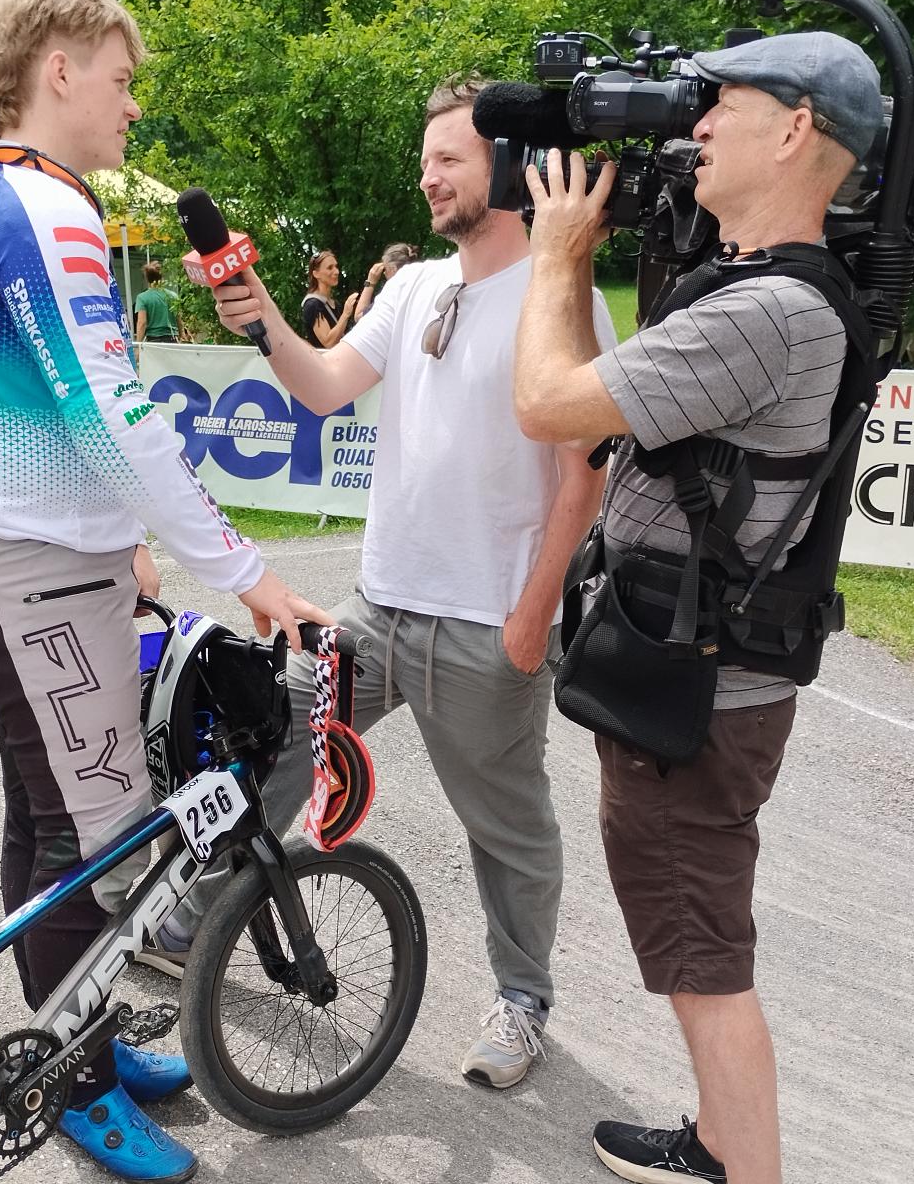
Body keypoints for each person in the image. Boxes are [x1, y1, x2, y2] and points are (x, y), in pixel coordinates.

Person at [0, 0, 324, 1184]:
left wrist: (122, 542)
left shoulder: (6, 195)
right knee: (88, 837)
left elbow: (69, 408)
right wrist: (245, 573)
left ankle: (73, 1033)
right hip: (28, 573)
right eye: (121, 76)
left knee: (49, 820)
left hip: (31, 561)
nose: (133, 104)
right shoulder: (41, 205)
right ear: (58, 69)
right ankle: (71, 1077)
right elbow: (115, 413)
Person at [512, 30, 885, 1184]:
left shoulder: (768, 314)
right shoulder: (764, 291)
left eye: (725, 101)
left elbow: (546, 404)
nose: (697, 122)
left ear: (797, 129)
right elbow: (597, 404)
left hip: (696, 693)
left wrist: (553, 255)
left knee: (703, 954)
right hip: (695, 669)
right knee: (688, 933)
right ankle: (719, 1146)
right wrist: (581, 259)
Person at [168, 74, 615, 1089]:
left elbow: (580, 480)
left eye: (449, 158)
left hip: (485, 625)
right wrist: (260, 315)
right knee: (271, 729)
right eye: (425, 160)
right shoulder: (415, 288)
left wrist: (531, 619)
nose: (427, 177)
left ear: (509, 167)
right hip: (375, 609)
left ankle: (522, 1000)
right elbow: (325, 386)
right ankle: (193, 916)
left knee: (506, 826)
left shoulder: (563, 298)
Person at [300, 250, 366, 347]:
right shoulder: (313, 305)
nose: (336, 272)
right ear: (316, 274)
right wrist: (345, 314)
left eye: (336, 267)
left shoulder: (334, 303)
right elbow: (328, 342)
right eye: (330, 268)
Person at [354, 241, 420, 321]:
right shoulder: (420, 288)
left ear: (393, 269)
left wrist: (370, 282)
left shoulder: (392, 295)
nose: (384, 273)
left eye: (385, 268)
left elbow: (359, 317)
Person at [133, 259, 178, 343]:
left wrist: (138, 344)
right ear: (162, 277)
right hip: (172, 339)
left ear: (147, 279)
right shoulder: (173, 296)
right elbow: (179, 319)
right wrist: (182, 334)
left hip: (153, 340)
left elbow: (142, 323)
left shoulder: (142, 298)